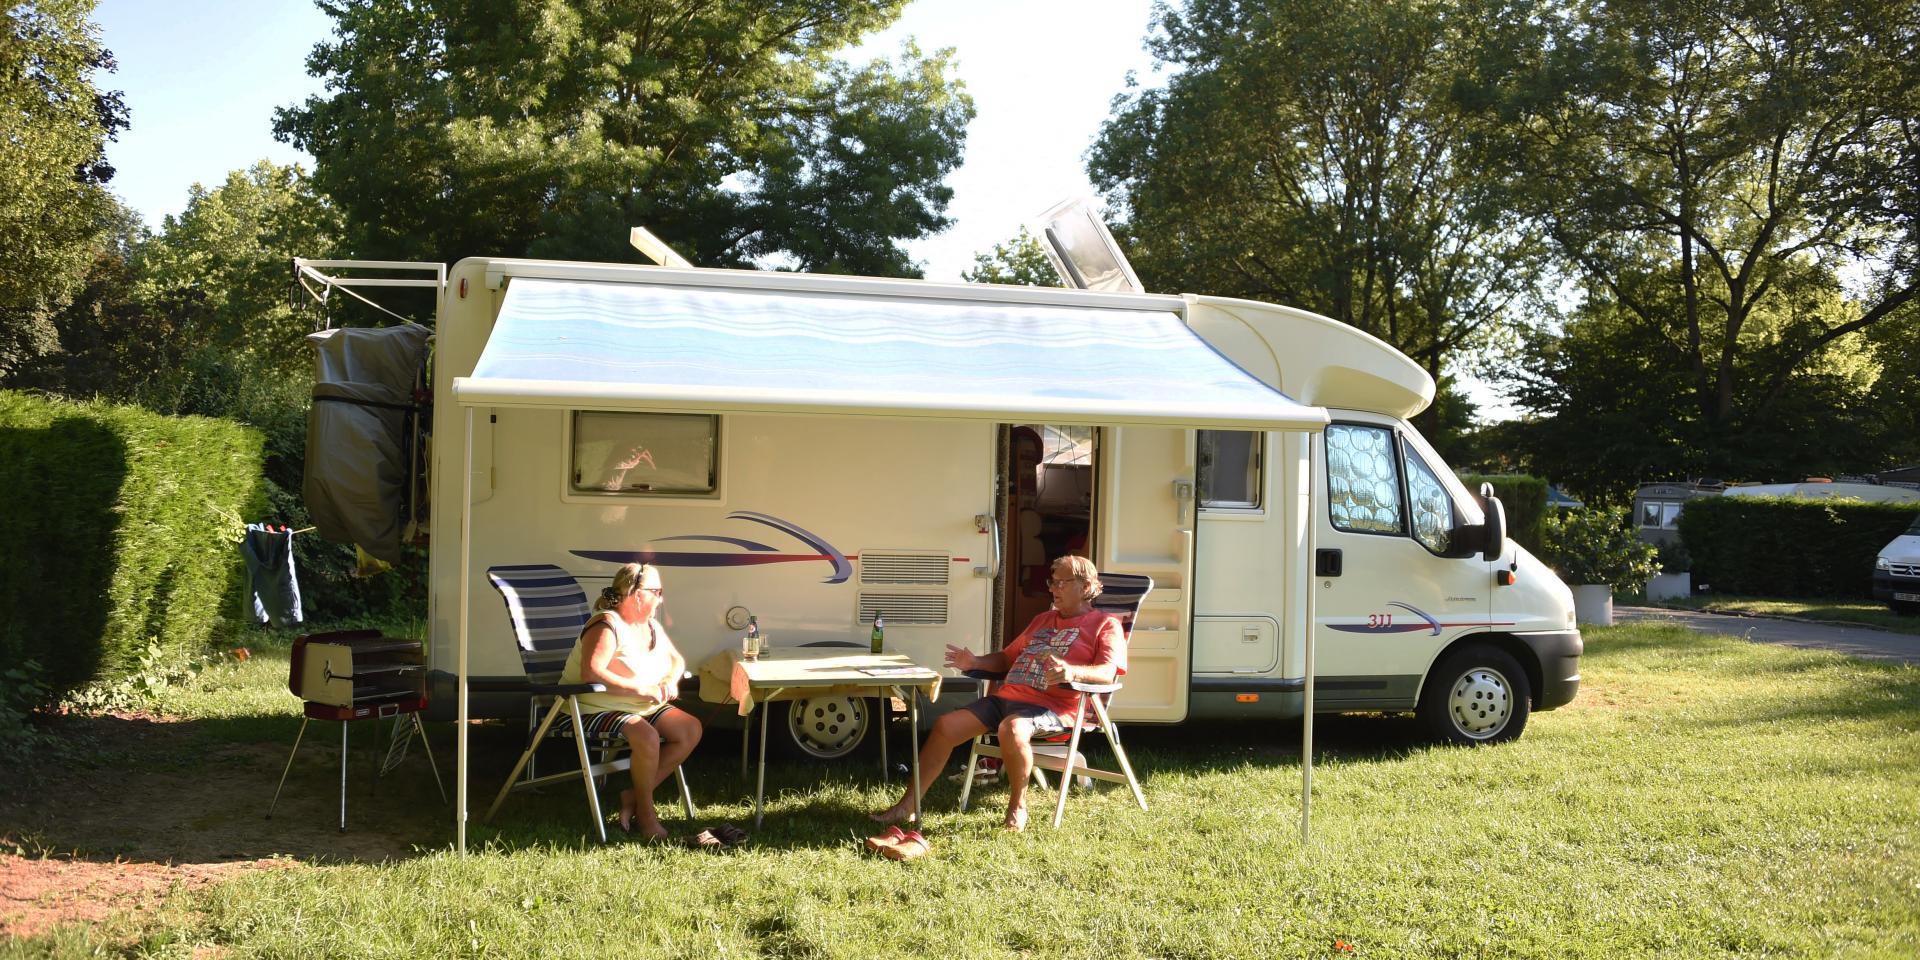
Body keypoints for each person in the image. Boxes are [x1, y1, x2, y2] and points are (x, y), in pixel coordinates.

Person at [870, 555, 1126, 833]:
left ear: (1086, 586)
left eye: (1063, 583)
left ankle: (1018, 806)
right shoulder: (1043, 619)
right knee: (945, 726)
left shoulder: (1105, 624)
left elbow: (1107, 672)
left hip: (1053, 707)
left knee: (1012, 728)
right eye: (1053, 582)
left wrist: (1071, 672)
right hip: (1005, 699)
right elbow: (1007, 659)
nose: (1054, 589)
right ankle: (907, 806)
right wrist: (976, 663)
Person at [560, 561, 703, 840]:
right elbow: (592, 672)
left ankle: (633, 797)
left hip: (641, 705)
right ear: (638, 595)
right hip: (594, 706)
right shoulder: (605, 624)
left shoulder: (649, 625)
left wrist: (670, 680)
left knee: (690, 729)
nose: (661, 597)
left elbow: (677, 660)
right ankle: (646, 816)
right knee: (647, 737)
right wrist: (641, 689)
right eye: (657, 591)